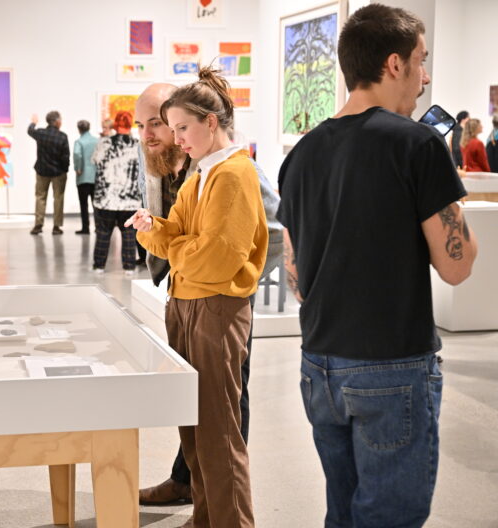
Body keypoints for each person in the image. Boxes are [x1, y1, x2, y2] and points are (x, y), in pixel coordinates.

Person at [277, 5, 478, 527]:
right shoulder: (417, 144)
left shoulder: (300, 154)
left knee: (343, 511)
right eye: (421, 60)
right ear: (394, 64)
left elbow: (295, 273)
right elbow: (457, 267)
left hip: (319, 363)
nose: (426, 74)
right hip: (391, 363)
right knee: (389, 516)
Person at [135, 83, 284, 511]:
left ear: (211, 122)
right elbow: (174, 235)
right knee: (196, 426)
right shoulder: (200, 175)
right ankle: (205, 515)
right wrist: (157, 231)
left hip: (216, 306)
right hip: (186, 304)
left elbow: (215, 259)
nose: (176, 138)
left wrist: (176, 246)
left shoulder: (235, 174)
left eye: (181, 127)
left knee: (218, 429)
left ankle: (229, 522)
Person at [90, 111, 141, 276]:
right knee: (128, 234)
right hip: (131, 199)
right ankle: (129, 267)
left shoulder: (104, 143)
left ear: (115, 125)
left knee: (103, 233)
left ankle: (99, 266)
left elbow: (95, 161)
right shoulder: (138, 145)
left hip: (106, 198)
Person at [28, 111, 70, 235]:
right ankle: (56, 226)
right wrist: (65, 170)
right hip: (58, 173)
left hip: (42, 171)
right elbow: (65, 157)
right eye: (60, 119)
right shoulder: (62, 136)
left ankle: (38, 225)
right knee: (58, 198)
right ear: (57, 122)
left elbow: (30, 131)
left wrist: (33, 123)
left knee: (40, 197)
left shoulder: (41, 133)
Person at [72, 120, 98, 234]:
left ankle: (85, 228)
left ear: (79, 129)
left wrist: (78, 168)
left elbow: (77, 154)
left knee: (84, 204)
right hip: (95, 176)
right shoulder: (96, 141)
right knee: (96, 204)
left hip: (83, 177)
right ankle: (98, 227)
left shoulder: (79, 142)